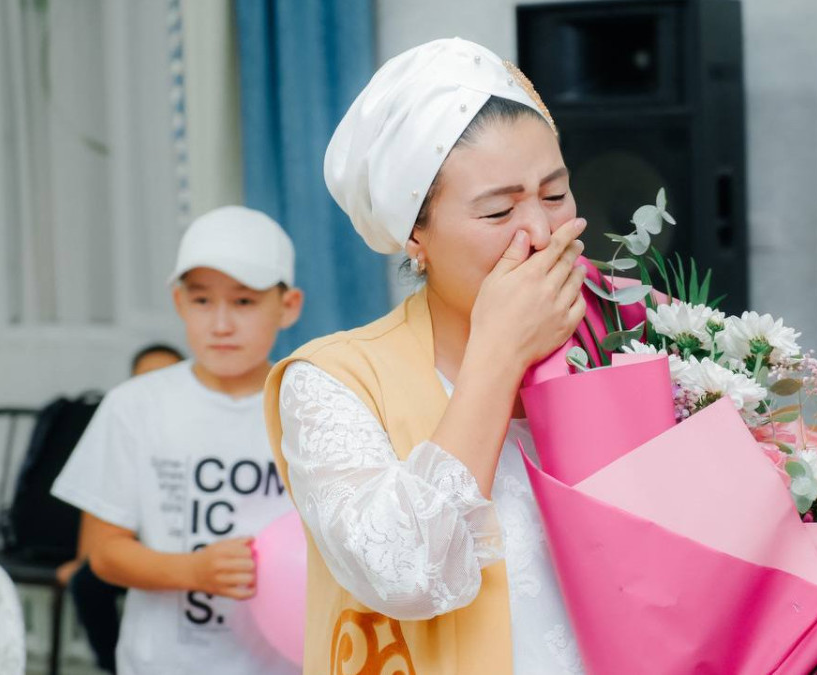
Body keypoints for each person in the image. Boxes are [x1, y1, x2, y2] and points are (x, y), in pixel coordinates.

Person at [263, 39, 591, 675]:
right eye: (499, 209)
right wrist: (499, 353)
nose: (543, 233)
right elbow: (404, 573)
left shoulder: (619, 340)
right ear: (417, 235)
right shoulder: (334, 381)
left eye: (555, 195)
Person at [53, 206, 303, 675]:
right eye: (202, 300)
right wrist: (193, 572)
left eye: (245, 302)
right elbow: (103, 554)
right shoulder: (134, 406)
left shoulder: (311, 408)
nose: (221, 324)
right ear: (178, 303)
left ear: (288, 306)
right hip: (162, 663)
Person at [55, 342, 185, 673]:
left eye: (164, 377)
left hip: (187, 546)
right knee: (88, 580)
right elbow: (100, 504)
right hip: (131, 546)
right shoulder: (124, 424)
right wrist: (86, 560)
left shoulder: (194, 428)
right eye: (144, 379)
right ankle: (112, 665)